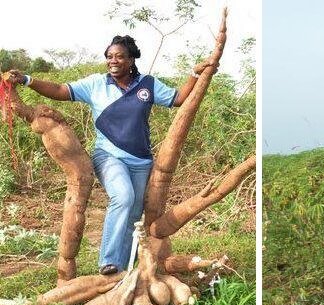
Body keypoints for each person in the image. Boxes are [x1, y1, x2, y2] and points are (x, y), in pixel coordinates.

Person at [6, 35, 217, 275]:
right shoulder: (96, 84)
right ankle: (110, 261)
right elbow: (59, 90)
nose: (113, 61)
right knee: (123, 197)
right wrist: (27, 79)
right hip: (108, 156)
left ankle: (123, 270)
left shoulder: (147, 85)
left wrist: (196, 74)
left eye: (119, 56)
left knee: (134, 214)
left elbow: (178, 99)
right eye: (109, 57)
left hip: (141, 161)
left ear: (131, 60)